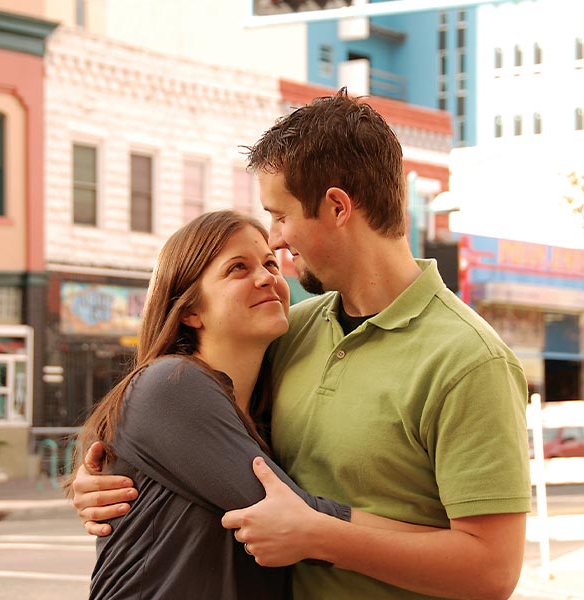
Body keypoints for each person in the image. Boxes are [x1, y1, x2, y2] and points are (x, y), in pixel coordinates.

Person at [72, 90, 531, 600]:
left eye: (280, 215)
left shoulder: (469, 360)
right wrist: (101, 470)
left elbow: (492, 572)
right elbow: (177, 401)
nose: (275, 241)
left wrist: (323, 535)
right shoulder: (290, 330)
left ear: (336, 206)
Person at [67, 210, 357, 599]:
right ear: (190, 310)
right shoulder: (172, 384)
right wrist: (439, 539)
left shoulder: (265, 409)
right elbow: (298, 517)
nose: (267, 277)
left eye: (271, 263)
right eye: (238, 268)